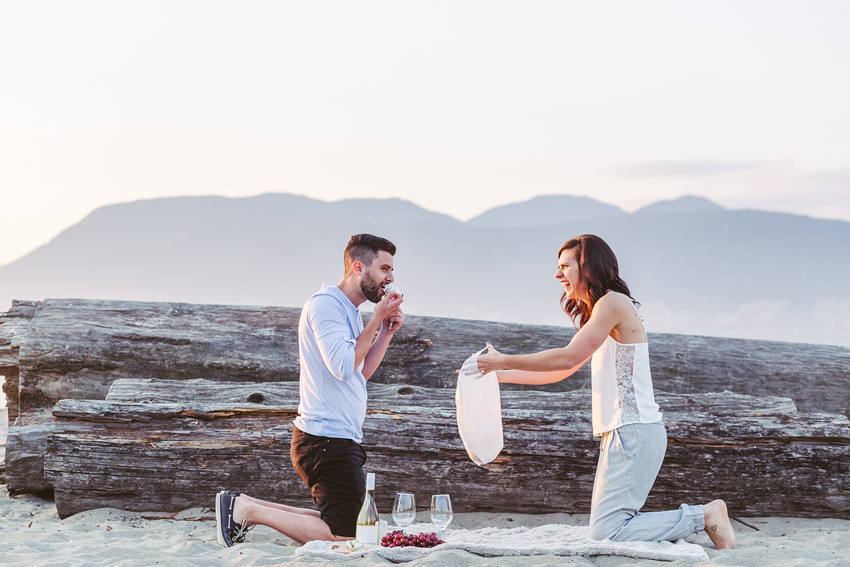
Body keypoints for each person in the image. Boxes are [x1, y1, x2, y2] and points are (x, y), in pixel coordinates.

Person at [476, 234, 736, 549]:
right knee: (606, 530)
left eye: (565, 266)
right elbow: (564, 369)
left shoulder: (612, 303)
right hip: (623, 433)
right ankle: (703, 516)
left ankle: (705, 515)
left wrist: (502, 359)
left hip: (633, 431)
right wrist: (499, 376)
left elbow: (568, 356)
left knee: (606, 534)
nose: (557, 275)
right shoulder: (603, 308)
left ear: (588, 266)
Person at [215, 233, 404, 546]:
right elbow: (342, 365)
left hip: (337, 438)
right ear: (359, 267)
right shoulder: (326, 306)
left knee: (345, 522)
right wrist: (376, 319)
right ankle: (248, 510)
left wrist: (385, 333)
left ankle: (243, 505)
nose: (391, 277)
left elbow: (358, 373)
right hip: (326, 440)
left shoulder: (351, 312)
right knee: (347, 536)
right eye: (384, 268)